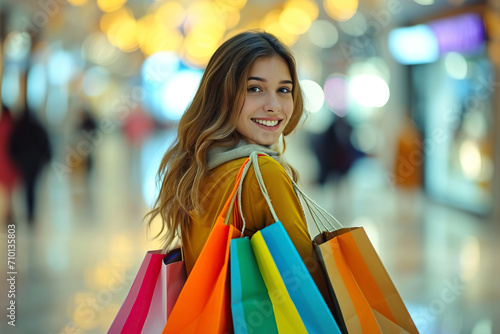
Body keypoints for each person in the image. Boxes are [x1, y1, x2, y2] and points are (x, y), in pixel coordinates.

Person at [146, 30, 333, 307]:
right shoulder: (262, 174)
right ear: (222, 95)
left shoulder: (195, 170)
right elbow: (308, 284)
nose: (273, 106)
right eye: (254, 89)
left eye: (284, 90)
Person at [9, 108, 52, 223]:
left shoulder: (19, 129)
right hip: (35, 163)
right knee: (31, 186)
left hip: (24, 163)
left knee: (28, 187)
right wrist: (47, 158)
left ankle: (29, 212)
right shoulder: (37, 127)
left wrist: (16, 159)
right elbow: (45, 144)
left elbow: (12, 147)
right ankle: (30, 212)